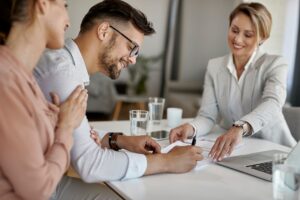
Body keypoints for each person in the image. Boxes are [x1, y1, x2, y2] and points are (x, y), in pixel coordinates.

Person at [34, 0, 203, 191]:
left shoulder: (68, 68)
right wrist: (166, 161)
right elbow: (89, 163)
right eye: (132, 48)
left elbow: (76, 136)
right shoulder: (63, 74)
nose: (132, 60)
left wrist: (117, 140)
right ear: (104, 31)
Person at [169, 2, 296, 162]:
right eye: (234, 30)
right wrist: (191, 128)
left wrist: (240, 127)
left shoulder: (275, 64)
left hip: (275, 152)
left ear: (262, 37)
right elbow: (208, 116)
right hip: (235, 152)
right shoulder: (214, 66)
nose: (237, 39)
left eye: (248, 35)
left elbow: (272, 102)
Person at [0, 0, 88, 199]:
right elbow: (38, 190)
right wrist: (66, 128)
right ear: (42, 4)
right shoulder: (6, 82)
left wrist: (56, 123)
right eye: (65, 6)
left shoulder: (23, 76)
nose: (69, 21)